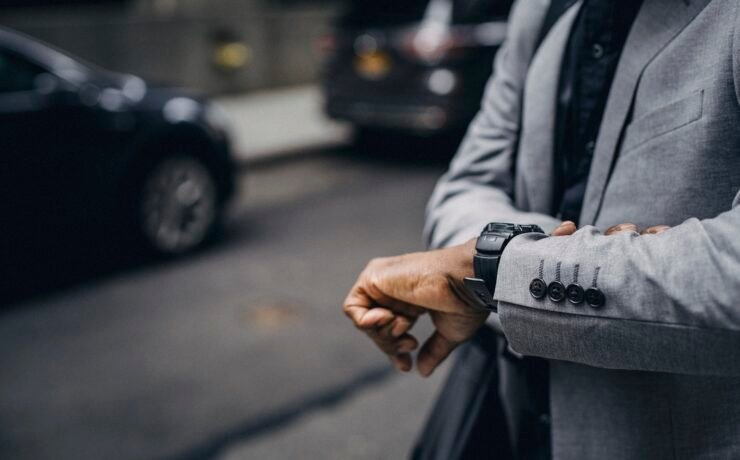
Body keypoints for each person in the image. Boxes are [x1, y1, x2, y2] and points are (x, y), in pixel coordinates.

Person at [343, 0, 740, 458]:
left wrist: (489, 270)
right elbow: (463, 187)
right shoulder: (540, 11)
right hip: (520, 426)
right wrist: (552, 263)